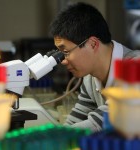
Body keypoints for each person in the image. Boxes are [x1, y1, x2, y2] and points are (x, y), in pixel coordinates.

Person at [49, 2, 140, 131]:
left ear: (92, 44)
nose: (63, 61)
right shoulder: (90, 79)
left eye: (66, 52)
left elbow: (100, 122)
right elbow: (74, 121)